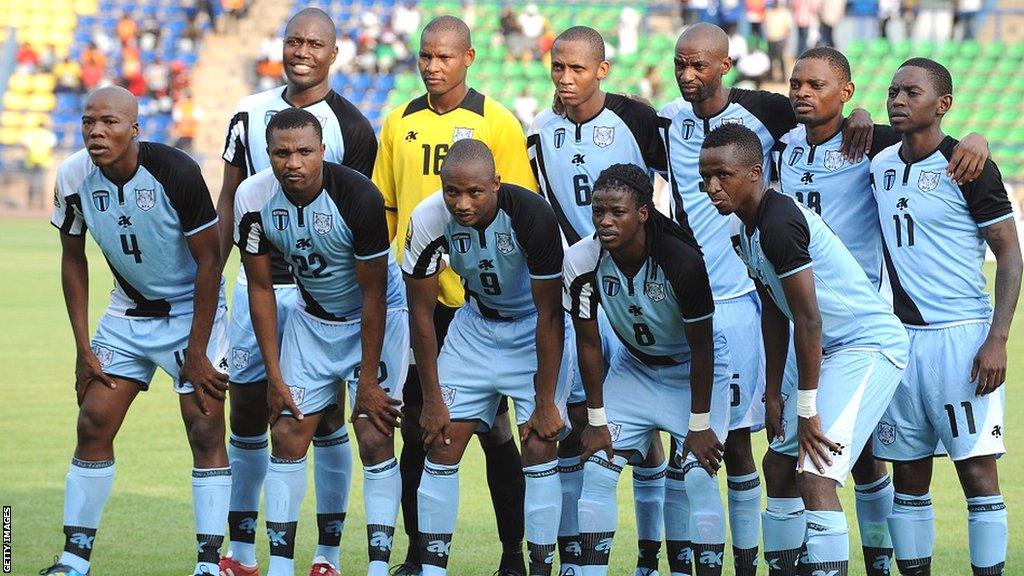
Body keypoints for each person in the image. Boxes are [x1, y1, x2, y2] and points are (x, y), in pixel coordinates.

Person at [775, 46, 990, 576]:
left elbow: (934, 140)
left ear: (845, 94)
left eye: (816, 84)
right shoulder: (780, 146)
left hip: (862, 323)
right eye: (796, 83)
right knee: (800, 454)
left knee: (862, 455)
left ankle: (872, 560)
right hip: (802, 320)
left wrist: (977, 142)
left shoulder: (872, 144)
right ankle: (808, 553)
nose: (802, 92)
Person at [703, 122, 910, 576]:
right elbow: (777, 311)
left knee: (815, 473)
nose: (711, 187)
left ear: (755, 172)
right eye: (705, 177)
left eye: (722, 175)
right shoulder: (744, 232)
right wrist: (773, 392)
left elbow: (810, 319)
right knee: (778, 466)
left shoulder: (778, 222)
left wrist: (808, 406)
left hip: (866, 346)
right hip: (826, 350)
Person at [216, 8, 378, 576]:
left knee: (322, 417)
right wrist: (215, 278)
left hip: (318, 296)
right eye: (293, 41)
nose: (301, 51)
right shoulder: (248, 112)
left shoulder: (353, 128)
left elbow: (354, 214)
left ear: (334, 53)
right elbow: (228, 200)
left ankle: (326, 554)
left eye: (314, 43)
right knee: (248, 411)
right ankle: (239, 551)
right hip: (255, 282)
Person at [42, 86, 230, 576]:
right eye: (88, 122)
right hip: (127, 311)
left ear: (134, 129)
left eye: (109, 122)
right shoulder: (72, 175)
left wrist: (197, 350)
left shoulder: (176, 171)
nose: (96, 132)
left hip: (193, 309)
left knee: (205, 426)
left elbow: (210, 261)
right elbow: (72, 259)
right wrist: (83, 349)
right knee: (93, 422)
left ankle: (210, 563)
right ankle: (73, 558)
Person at [373, 16, 535, 576]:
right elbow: (388, 209)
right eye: (425, 57)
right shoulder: (397, 122)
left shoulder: (498, 123)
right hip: (421, 302)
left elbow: (518, 208)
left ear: (468, 57)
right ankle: (420, 553)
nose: (432, 66)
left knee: (495, 431)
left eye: (444, 57)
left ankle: (513, 553)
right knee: (420, 424)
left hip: (485, 304)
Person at [234, 108, 409, 576]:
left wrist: (368, 381)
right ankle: (281, 567)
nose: (293, 162)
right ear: (268, 155)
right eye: (282, 152)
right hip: (312, 317)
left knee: (373, 434)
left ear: (322, 152)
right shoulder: (251, 198)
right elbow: (260, 287)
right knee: (288, 431)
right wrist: (273, 376)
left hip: (377, 315)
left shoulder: (358, 196)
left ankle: (373, 565)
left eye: (304, 151)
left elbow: (373, 294)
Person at [527, 25, 670, 576]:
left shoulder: (637, 120)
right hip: (576, 290)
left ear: (601, 70)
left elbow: (669, 193)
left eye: (577, 69)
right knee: (576, 420)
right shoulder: (541, 130)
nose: (565, 79)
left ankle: (650, 558)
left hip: (635, 292)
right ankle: (572, 559)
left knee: (645, 430)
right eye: (558, 68)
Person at [870, 58, 1021, 576]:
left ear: (943, 104)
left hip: (961, 340)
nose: (898, 100)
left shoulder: (969, 166)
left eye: (911, 92)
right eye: (893, 91)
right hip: (901, 343)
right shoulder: (879, 162)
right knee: (908, 476)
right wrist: (860, 114)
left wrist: (998, 338)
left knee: (978, 475)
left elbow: (1010, 252)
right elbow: (847, 124)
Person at [403, 139, 572, 576]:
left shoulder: (532, 215)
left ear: (496, 184)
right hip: (474, 326)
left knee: (538, 446)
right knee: (440, 443)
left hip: (534, 328)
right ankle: (431, 568)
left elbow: (551, 314)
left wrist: (546, 400)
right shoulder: (426, 218)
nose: (462, 203)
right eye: (452, 192)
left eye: (475, 192)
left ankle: (537, 568)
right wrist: (432, 398)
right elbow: (420, 314)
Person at [563, 164, 731, 576]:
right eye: (598, 210)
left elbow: (703, 345)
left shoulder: (681, 259)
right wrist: (597, 420)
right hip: (633, 369)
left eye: (617, 211)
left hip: (691, 369)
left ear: (642, 212)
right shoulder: (581, 260)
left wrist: (700, 423)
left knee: (697, 476)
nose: (604, 220)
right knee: (598, 468)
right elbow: (587, 342)